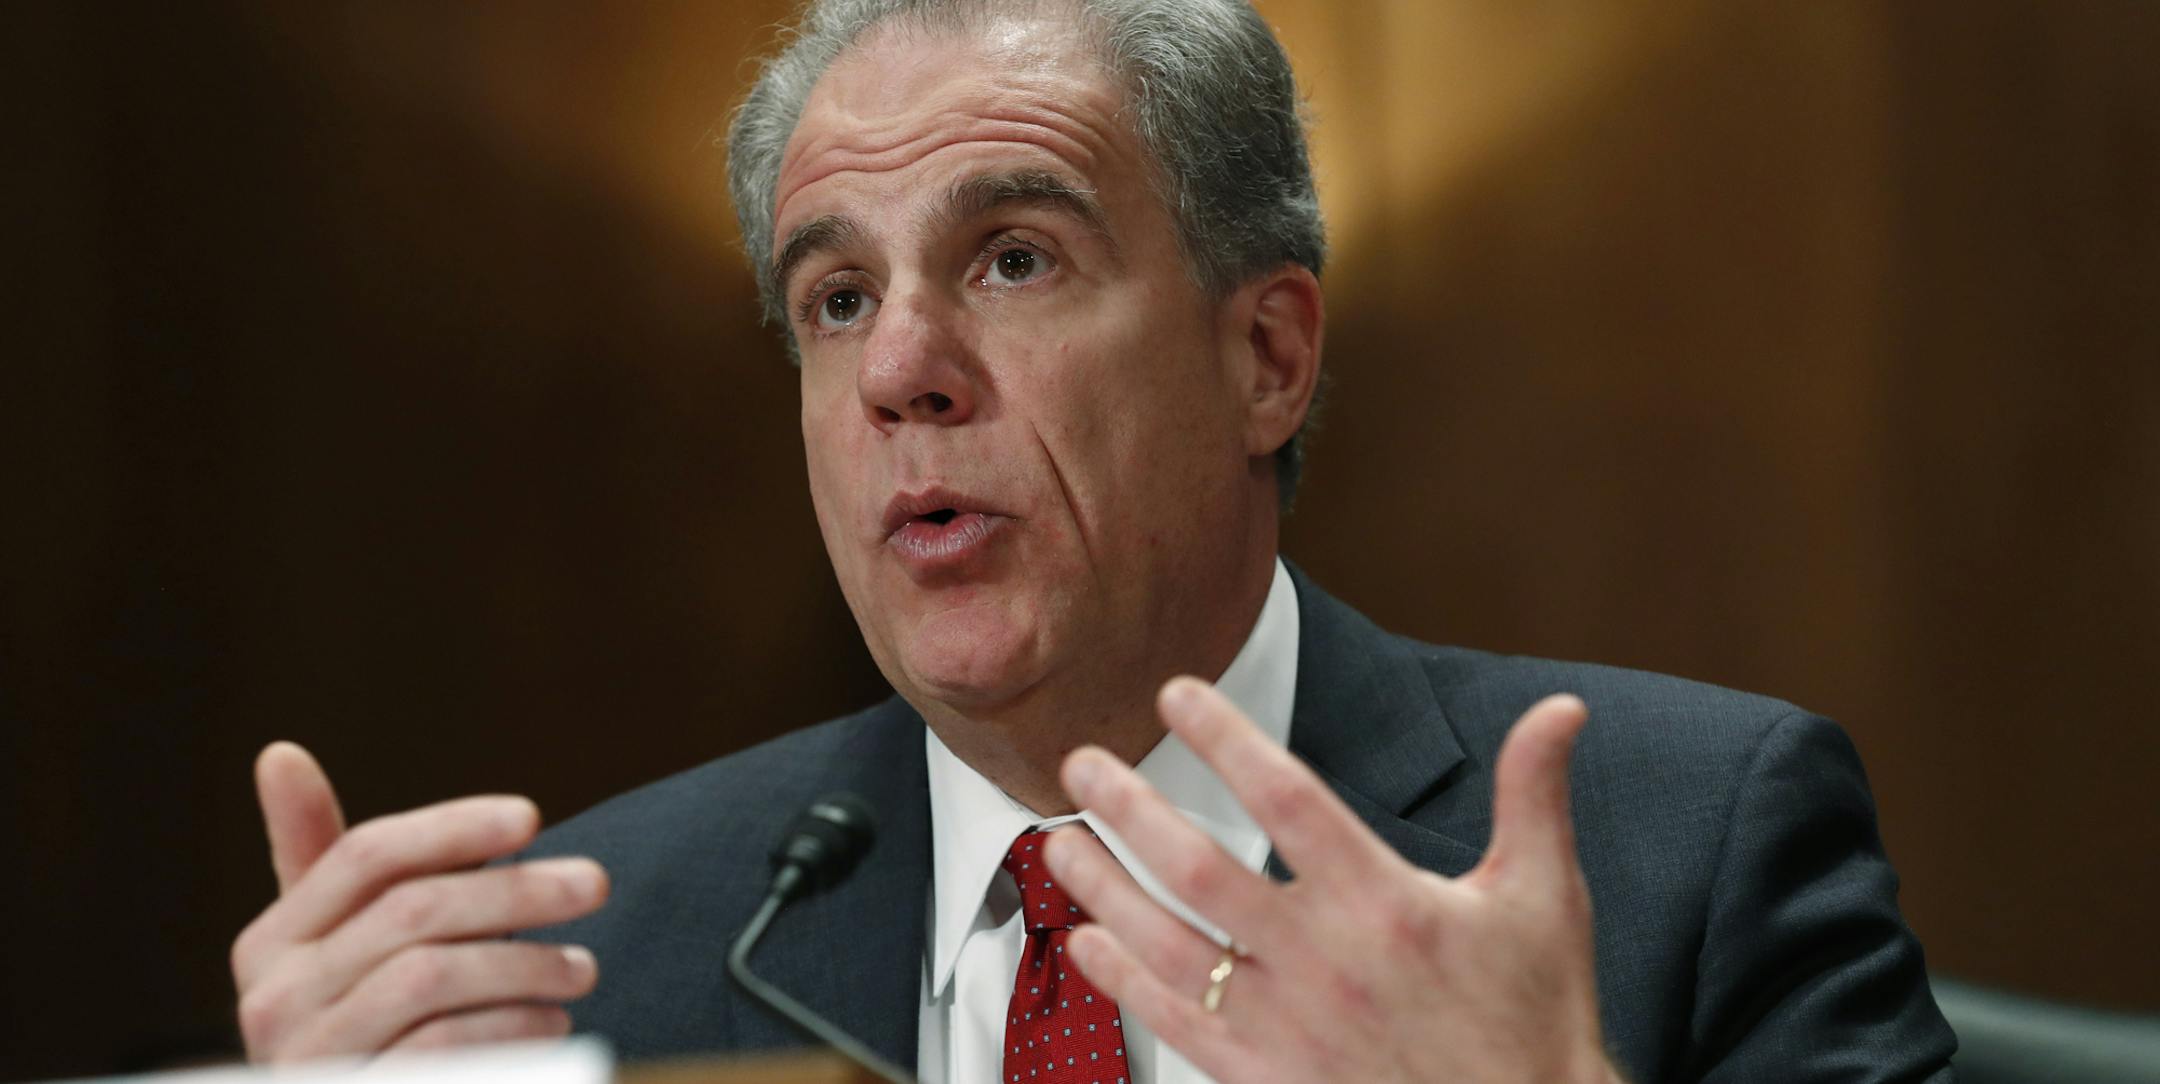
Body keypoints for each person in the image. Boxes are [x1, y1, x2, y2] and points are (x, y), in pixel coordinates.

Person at [229, 1, 1958, 1080]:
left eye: (1014, 258)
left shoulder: (1689, 854)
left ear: (1265, 356)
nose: (900, 370)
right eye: (837, 298)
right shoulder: (587, 960)